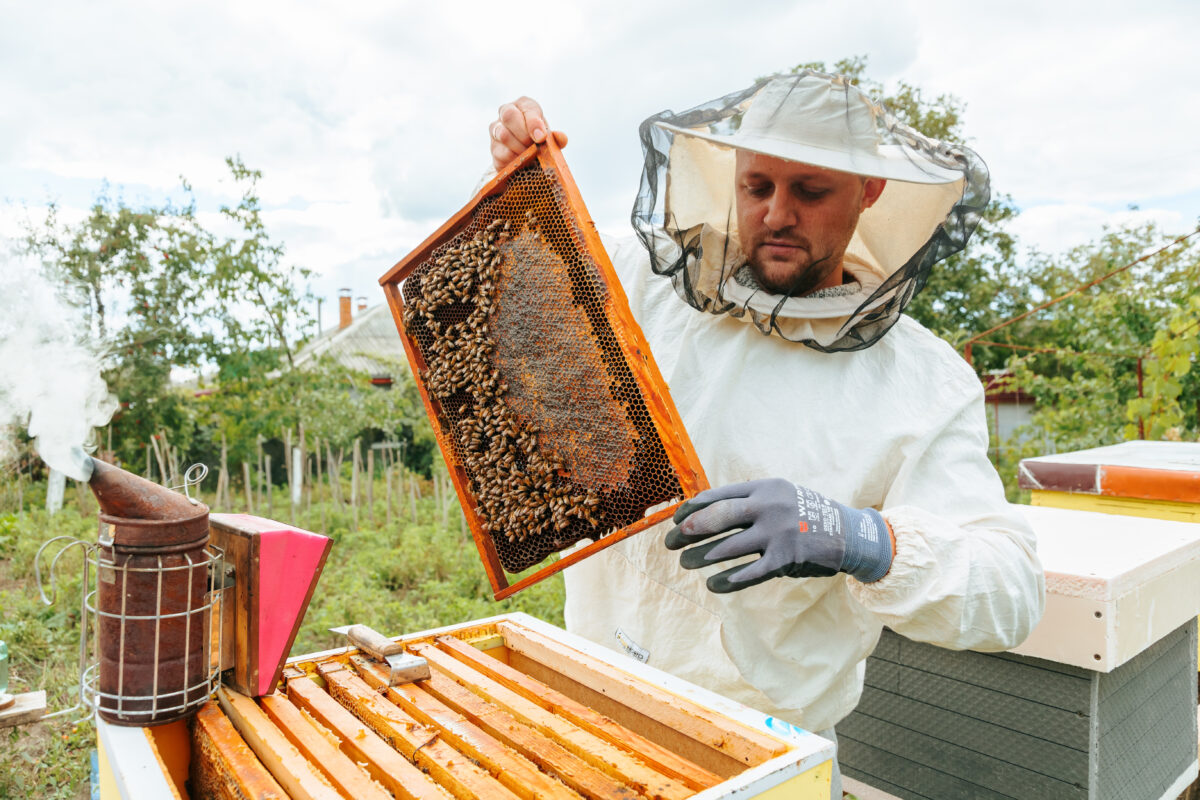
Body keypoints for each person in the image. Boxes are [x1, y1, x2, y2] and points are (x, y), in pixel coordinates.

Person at [486, 70, 1044, 797]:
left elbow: (1009, 591)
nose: (778, 213)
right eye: (757, 188)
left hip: (763, 751)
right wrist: (516, 191)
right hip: (590, 701)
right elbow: (521, 335)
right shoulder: (650, 287)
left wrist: (859, 538)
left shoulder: (921, 383)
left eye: (810, 191)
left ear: (868, 193)